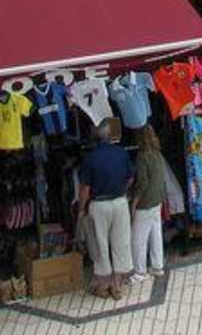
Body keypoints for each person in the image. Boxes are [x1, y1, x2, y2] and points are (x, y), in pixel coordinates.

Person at [78, 118, 135, 299]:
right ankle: (117, 286)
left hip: (99, 205)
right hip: (120, 202)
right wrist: (121, 190)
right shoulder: (121, 153)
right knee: (121, 243)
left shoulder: (90, 158)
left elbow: (85, 189)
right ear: (111, 136)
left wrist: (81, 209)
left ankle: (103, 285)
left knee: (100, 245)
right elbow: (130, 178)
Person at [129, 125, 168, 280]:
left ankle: (140, 272)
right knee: (155, 234)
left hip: (146, 202)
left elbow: (142, 183)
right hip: (157, 199)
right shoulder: (158, 153)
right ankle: (157, 266)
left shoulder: (142, 157)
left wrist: (134, 202)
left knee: (138, 238)